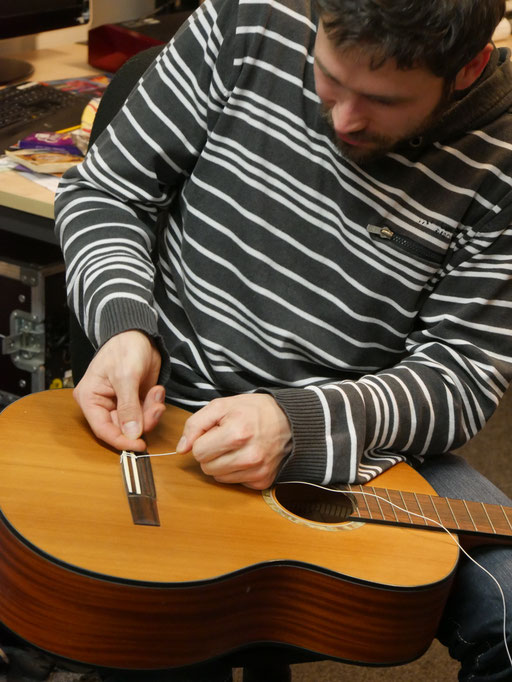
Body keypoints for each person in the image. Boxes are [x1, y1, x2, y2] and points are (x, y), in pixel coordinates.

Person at [54, 0, 512, 680]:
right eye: (328, 78)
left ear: (468, 68)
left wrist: (296, 424)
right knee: (157, 625)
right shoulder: (249, 17)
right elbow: (104, 192)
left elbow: (463, 376)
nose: (343, 120)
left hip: (360, 445)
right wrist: (124, 327)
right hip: (169, 416)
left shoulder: (501, 157)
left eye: (382, 100)